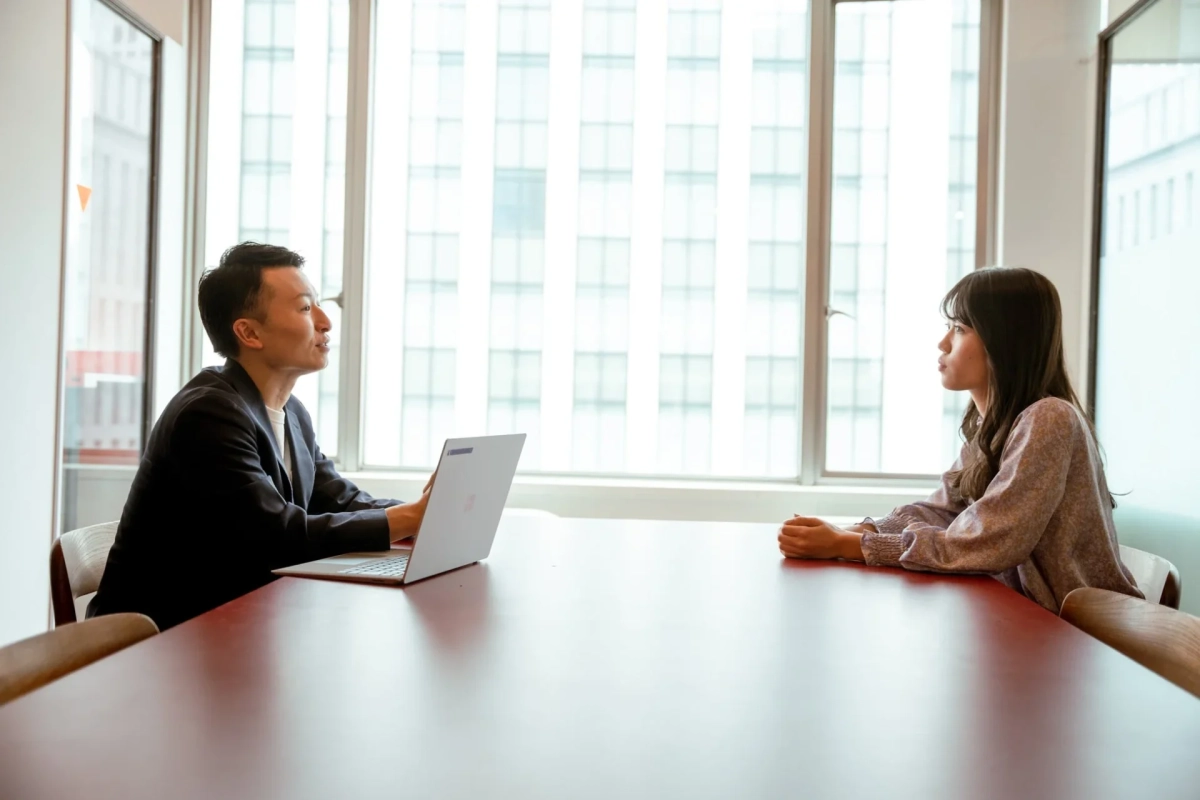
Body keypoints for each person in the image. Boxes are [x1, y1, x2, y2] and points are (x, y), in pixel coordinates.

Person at [88, 242, 431, 630]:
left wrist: (424, 514)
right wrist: (410, 518)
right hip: (160, 640)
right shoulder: (207, 415)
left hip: (237, 626)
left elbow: (340, 499)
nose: (325, 322)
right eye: (305, 308)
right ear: (249, 332)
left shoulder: (291, 412)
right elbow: (277, 536)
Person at [777, 266, 1142, 613]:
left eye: (959, 328)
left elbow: (989, 540)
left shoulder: (1049, 419)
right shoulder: (992, 428)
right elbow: (944, 511)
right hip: (1033, 621)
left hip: (1087, 633)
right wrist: (855, 531)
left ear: (1005, 340)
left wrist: (852, 545)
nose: (942, 343)